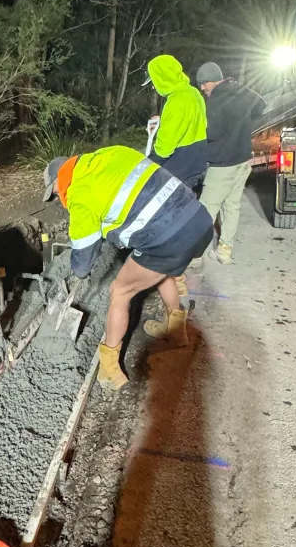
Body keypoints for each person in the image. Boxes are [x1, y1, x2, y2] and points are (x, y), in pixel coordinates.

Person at [42, 148, 214, 391]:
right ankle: (176, 331)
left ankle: (110, 368)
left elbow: (82, 266)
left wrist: (77, 267)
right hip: (198, 220)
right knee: (160, 269)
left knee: (120, 290)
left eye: (55, 193)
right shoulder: (111, 155)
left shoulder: (80, 193)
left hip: (169, 237)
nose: (58, 198)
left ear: (60, 180)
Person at [196, 61, 267, 264]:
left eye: (203, 84)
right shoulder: (241, 90)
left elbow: (212, 132)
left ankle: (194, 256)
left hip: (222, 164)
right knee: (231, 206)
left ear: (211, 81)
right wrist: (244, 125)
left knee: (206, 209)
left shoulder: (216, 100)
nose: (202, 88)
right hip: (243, 160)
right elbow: (261, 105)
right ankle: (225, 251)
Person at [144, 55, 208, 192]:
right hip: (198, 163)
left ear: (163, 78)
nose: (153, 88)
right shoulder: (193, 92)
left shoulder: (175, 102)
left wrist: (147, 165)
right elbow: (199, 124)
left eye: (154, 82)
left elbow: (164, 149)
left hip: (181, 169)